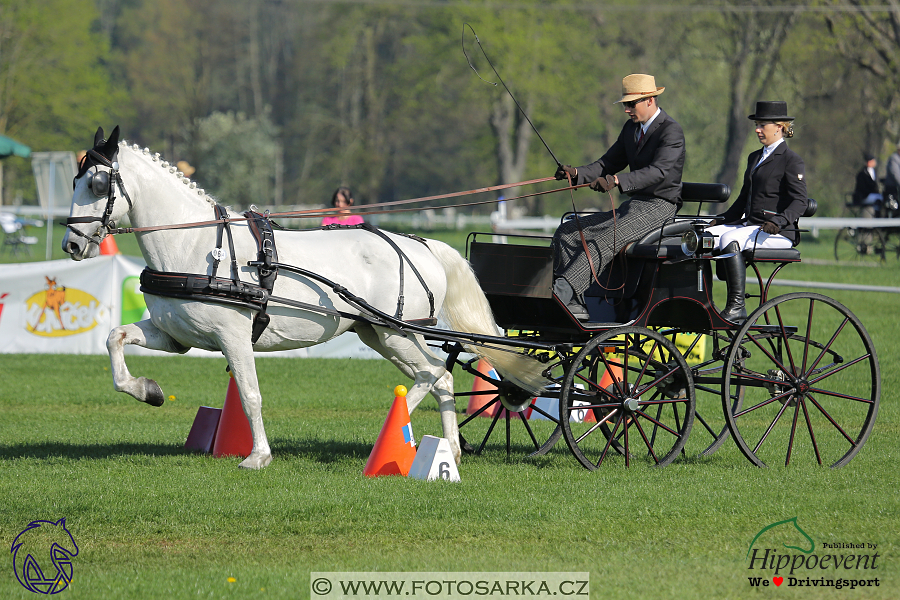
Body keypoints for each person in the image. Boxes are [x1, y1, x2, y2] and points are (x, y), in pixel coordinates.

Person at [551, 73, 685, 320]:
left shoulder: (671, 132)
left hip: (660, 208)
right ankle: (575, 303)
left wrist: (617, 181)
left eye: (630, 104)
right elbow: (608, 163)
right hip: (633, 207)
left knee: (606, 238)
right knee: (568, 231)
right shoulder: (631, 130)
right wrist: (577, 173)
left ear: (649, 100)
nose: (626, 110)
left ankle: (560, 294)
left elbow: (659, 171)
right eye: (624, 104)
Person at [709, 101, 808, 322]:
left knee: (730, 237)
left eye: (763, 124)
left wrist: (780, 222)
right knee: (704, 237)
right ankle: (704, 302)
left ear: (780, 127)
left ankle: (737, 307)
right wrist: (720, 220)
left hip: (778, 233)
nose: (757, 129)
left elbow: (800, 201)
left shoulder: (791, 160)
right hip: (751, 227)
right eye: (757, 124)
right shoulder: (754, 157)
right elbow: (744, 198)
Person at [851, 153, 881, 218]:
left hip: (871, 195)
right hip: (864, 196)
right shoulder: (862, 174)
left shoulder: (874, 172)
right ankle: (878, 218)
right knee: (879, 199)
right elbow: (863, 188)